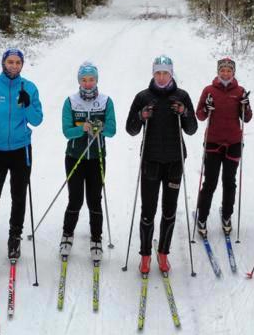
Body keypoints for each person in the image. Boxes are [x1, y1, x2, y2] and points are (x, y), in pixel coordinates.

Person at [0, 48, 44, 274]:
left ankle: (15, 237)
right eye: (10, 62)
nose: (13, 66)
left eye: (17, 62)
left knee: (19, 195)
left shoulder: (29, 88)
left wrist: (28, 104)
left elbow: (37, 119)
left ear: (22, 65)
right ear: (3, 63)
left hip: (21, 149)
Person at [125, 55, 197, 274]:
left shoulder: (182, 96)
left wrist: (184, 113)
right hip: (151, 161)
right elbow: (131, 129)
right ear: (153, 73)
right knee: (148, 211)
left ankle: (163, 253)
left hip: (175, 161)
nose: (162, 76)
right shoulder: (143, 96)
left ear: (171, 73)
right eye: (158, 72)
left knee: (169, 211)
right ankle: (145, 255)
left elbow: (192, 129)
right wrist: (141, 115)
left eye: (166, 73)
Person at [59, 62, 117, 262]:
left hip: (97, 157)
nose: (88, 83)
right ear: (79, 81)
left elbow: (112, 130)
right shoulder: (71, 102)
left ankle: (96, 237)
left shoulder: (106, 101)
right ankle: (67, 234)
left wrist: (100, 128)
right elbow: (67, 131)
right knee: (75, 198)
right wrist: (82, 129)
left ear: (96, 80)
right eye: (84, 80)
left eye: (91, 79)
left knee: (94, 198)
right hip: (75, 156)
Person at [194, 57, 252, 237]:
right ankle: (202, 217)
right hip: (213, 142)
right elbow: (200, 115)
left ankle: (227, 215)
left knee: (229, 182)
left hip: (233, 142)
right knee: (210, 182)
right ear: (218, 72)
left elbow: (247, 118)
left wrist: (245, 105)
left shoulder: (240, 91)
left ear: (233, 72)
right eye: (222, 70)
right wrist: (207, 107)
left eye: (229, 70)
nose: (225, 73)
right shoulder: (209, 90)